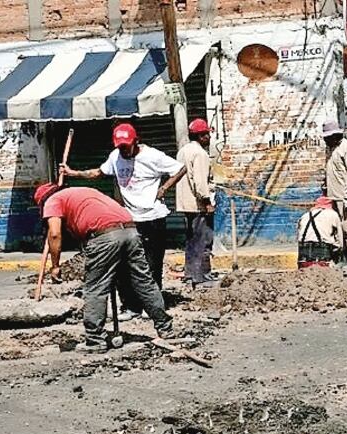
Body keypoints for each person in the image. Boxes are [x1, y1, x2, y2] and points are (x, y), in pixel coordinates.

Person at [60, 123, 186, 319]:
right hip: (128, 220)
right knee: (124, 266)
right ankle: (131, 306)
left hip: (153, 217)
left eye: (126, 146)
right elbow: (97, 173)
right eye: (119, 146)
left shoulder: (153, 156)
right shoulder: (115, 156)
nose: (123, 150)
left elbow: (180, 168)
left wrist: (164, 188)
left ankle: (151, 307)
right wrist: (73, 173)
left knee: (152, 265)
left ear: (136, 141)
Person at [33, 183, 177, 353]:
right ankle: (166, 329)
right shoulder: (85, 191)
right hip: (130, 230)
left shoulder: (52, 200)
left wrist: (55, 266)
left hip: (104, 235)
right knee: (144, 281)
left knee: (96, 288)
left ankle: (95, 340)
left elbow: (55, 233)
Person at [176, 118, 218, 288]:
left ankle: (190, 273)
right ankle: (202, 275)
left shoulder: (183, 151)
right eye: (206, 134)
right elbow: (200, 183)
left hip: (186, 204)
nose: (209, 137)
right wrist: (207, 202)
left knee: (192, 240)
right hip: (198, 204)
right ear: (201, 136)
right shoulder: (200, 154)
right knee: (203, 239)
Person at [322, 121, 347, 264]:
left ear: (335, 135)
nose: (325, 140)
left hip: (345, 199)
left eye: (327, 137)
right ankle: (340, 260)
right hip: (332, 198)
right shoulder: (330, 149)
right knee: (335, 231)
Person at [296, 196, 343, 267]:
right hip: (323, 253)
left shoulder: (304, 216)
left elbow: (298, 235)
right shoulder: (333, 214)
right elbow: (339, 239)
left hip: (303, 254)